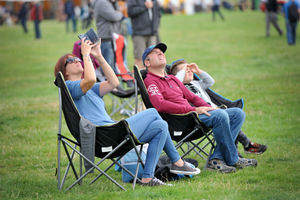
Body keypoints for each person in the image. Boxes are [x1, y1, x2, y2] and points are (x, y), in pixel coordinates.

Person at [53, 38, 200, 187]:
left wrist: (98, 56)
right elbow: (89, 79)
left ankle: (148, 179)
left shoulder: (92, 89)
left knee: (160, 126)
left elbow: (113, 83)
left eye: (77, 58)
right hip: (103, 135)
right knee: (152, 112)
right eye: (71, 60)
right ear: (63, 72)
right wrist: (85, 55)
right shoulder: (69, 87)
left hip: (113, 133)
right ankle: (178, 162)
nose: (76, 60)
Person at [143, 43, 258, 173]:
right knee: (221, 116)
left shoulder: (172, 79)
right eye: (156, 52)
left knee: (237, 114)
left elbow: (192, 97)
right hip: (181, 120)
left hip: (193, 115)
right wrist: (194, 110)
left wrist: (209, 107)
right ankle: (233, 159)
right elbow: (160, 104)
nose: (161, 53)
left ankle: (216, 159)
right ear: (147, 62)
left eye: (162, 52)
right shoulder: (150, 81)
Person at [169, 59, 268, 155]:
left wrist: (198, 71)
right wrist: (182, 72)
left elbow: (210, 81)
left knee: (234, 115)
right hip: (199, 117)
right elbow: (176, 81)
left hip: (215, 110)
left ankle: (238, 148)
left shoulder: (196, 83)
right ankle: (241, 147)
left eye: (189, 69)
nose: (189, 71)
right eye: (185, 70)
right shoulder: (175, 87)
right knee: (227, 117)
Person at [127, 0, 161, 69]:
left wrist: (156, 27)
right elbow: (130, 12)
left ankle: (151, 79)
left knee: (153, 57)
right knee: (140, 58)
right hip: (139, 33)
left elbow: (158, 14)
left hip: (152, 33)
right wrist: (145, 6)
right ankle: (139, 79)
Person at [94, 0, 124, 74]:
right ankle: (107, 84)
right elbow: (113, 17)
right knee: (107, 68)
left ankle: (114, 84)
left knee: (113, 66)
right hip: (106, 38)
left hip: (112, 38)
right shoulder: (102, 2)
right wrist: (120, 14)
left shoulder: (111, 3)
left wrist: (115, 3)